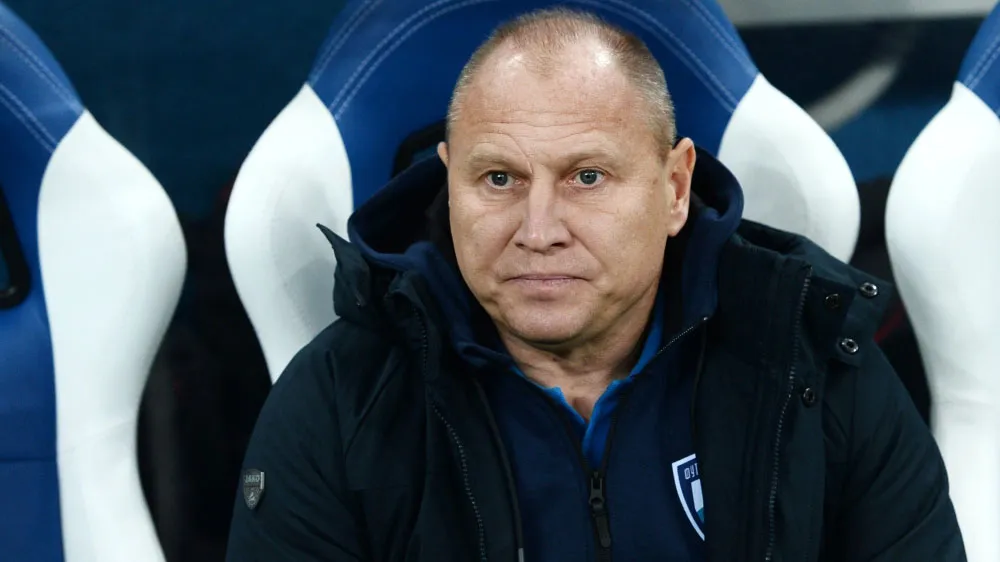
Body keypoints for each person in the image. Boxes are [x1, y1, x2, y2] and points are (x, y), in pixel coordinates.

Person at [225, 8, 965, 561]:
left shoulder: (818, 371)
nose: (538, 228)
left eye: (587, 177)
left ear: (675, 189)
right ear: (449, 186)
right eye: (498, 179)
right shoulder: (339, 400)